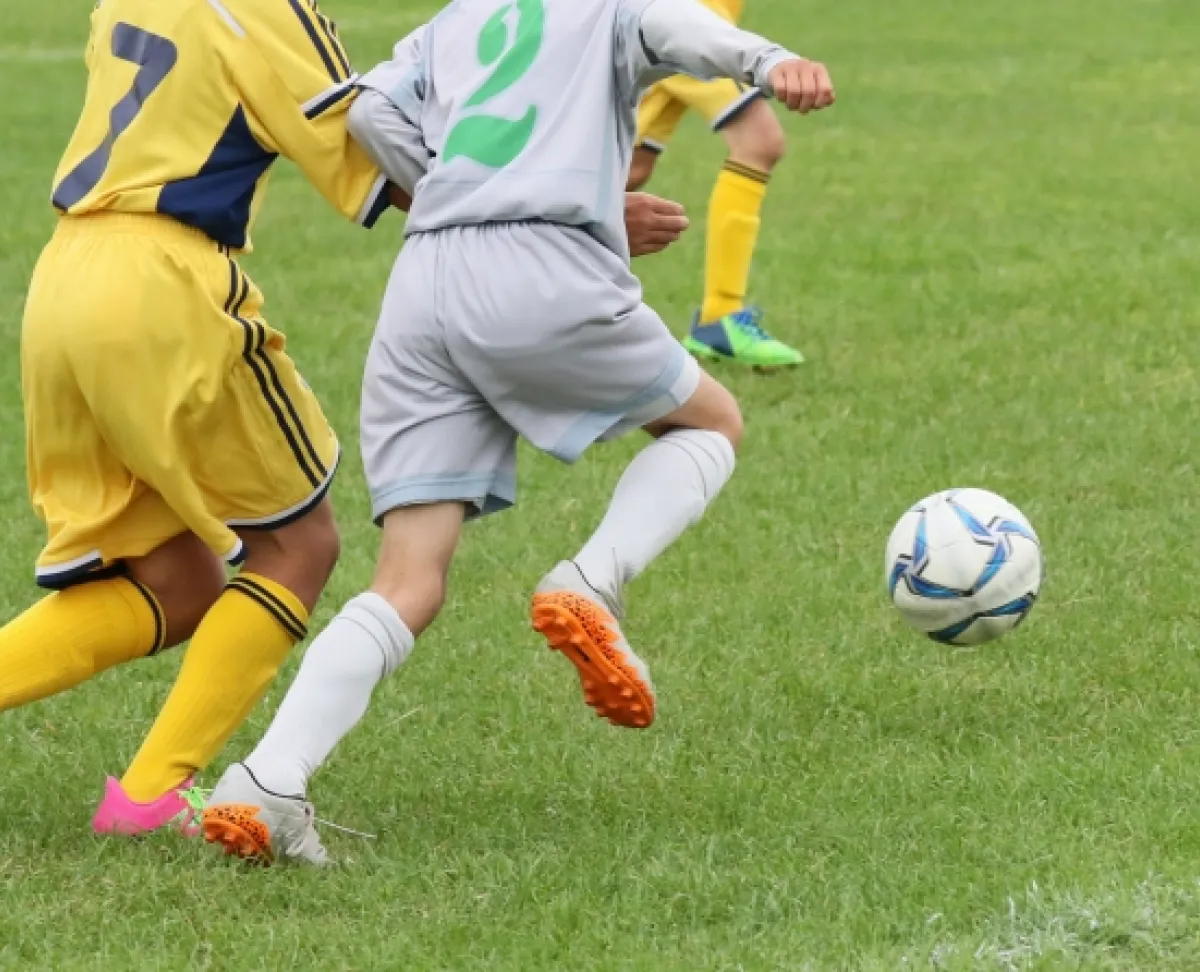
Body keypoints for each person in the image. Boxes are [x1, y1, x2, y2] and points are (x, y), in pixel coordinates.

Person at [201, 0, 833, 864]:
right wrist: (770, 61)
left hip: (424, 283)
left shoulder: (454, 20)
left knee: (409, 579)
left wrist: (468, 189)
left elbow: (371, 109)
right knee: (709, 423)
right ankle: (592, 580)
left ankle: (268, 783)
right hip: (540, 268)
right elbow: (683, 32)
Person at [627, 0, 804, 370]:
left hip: (667, 19)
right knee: (759, 142)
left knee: (629, 168)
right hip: (683, 17)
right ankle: (721, 316)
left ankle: (515, 287)